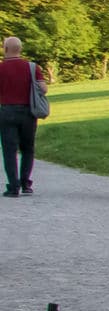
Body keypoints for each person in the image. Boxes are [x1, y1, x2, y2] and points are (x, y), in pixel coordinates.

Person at [0, 36, 49, 197]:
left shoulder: (1, 68)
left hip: (7, 111)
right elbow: (44, 89)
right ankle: (25, 183)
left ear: (6, 49)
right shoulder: (32, 67)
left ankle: (13, 187)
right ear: (20, 49)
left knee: (9, 150)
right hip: (28, 112)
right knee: (28, 148)